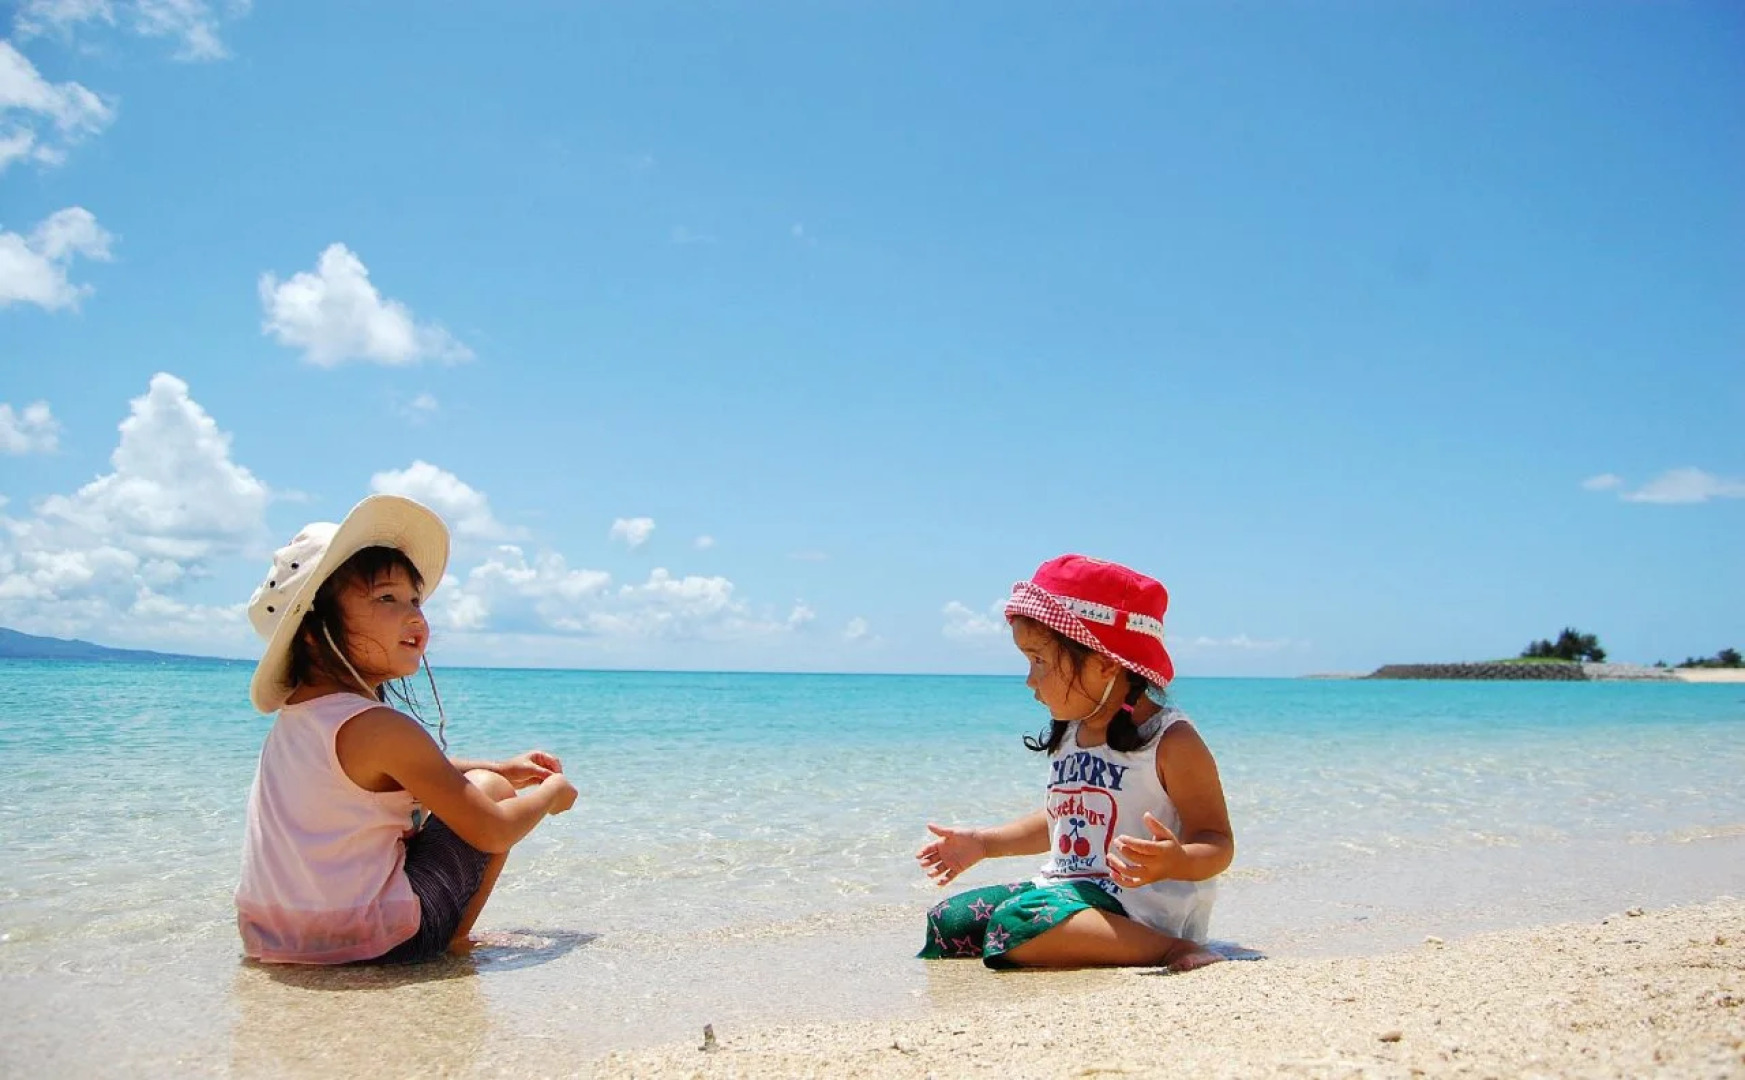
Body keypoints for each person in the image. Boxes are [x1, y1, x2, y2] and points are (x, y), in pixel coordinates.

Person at [235, 495, 577, 964]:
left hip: (276, 939)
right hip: (374, 943)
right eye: (386, 598)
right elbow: (492, 831)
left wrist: (501, 765)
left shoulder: (300, 718)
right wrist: (551, 794)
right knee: (491, 792)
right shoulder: (380, 726)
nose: (416, 615)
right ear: (313, 632)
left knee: (487, 778)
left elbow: (395, 774)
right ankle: (452, 942)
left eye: (415, 600)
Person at [915, 554, 1233, 971]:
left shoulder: (1171, 741)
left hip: (1138, 908)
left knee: (1015, 924)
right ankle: (1054, 938)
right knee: (948, 922)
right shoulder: (1072, 731)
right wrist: (985, 843)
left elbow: (1217, 840)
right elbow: (1060, 819)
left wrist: (1177, 861)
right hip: (1067, 892)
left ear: (1105, 663)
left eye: (1040, 661)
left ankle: (1170, 949)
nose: (1030, 679)